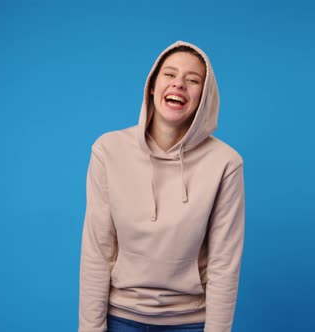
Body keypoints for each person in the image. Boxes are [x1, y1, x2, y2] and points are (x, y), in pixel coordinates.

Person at [79, 41, 245, 332]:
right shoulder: (108, 150)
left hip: (191, 322)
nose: (179, 84)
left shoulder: (226, 163)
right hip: (120, 319)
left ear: (204, 97)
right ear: (152, 86)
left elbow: (224, 264)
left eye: (192, 80)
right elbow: (96, 251)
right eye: (169, 75)